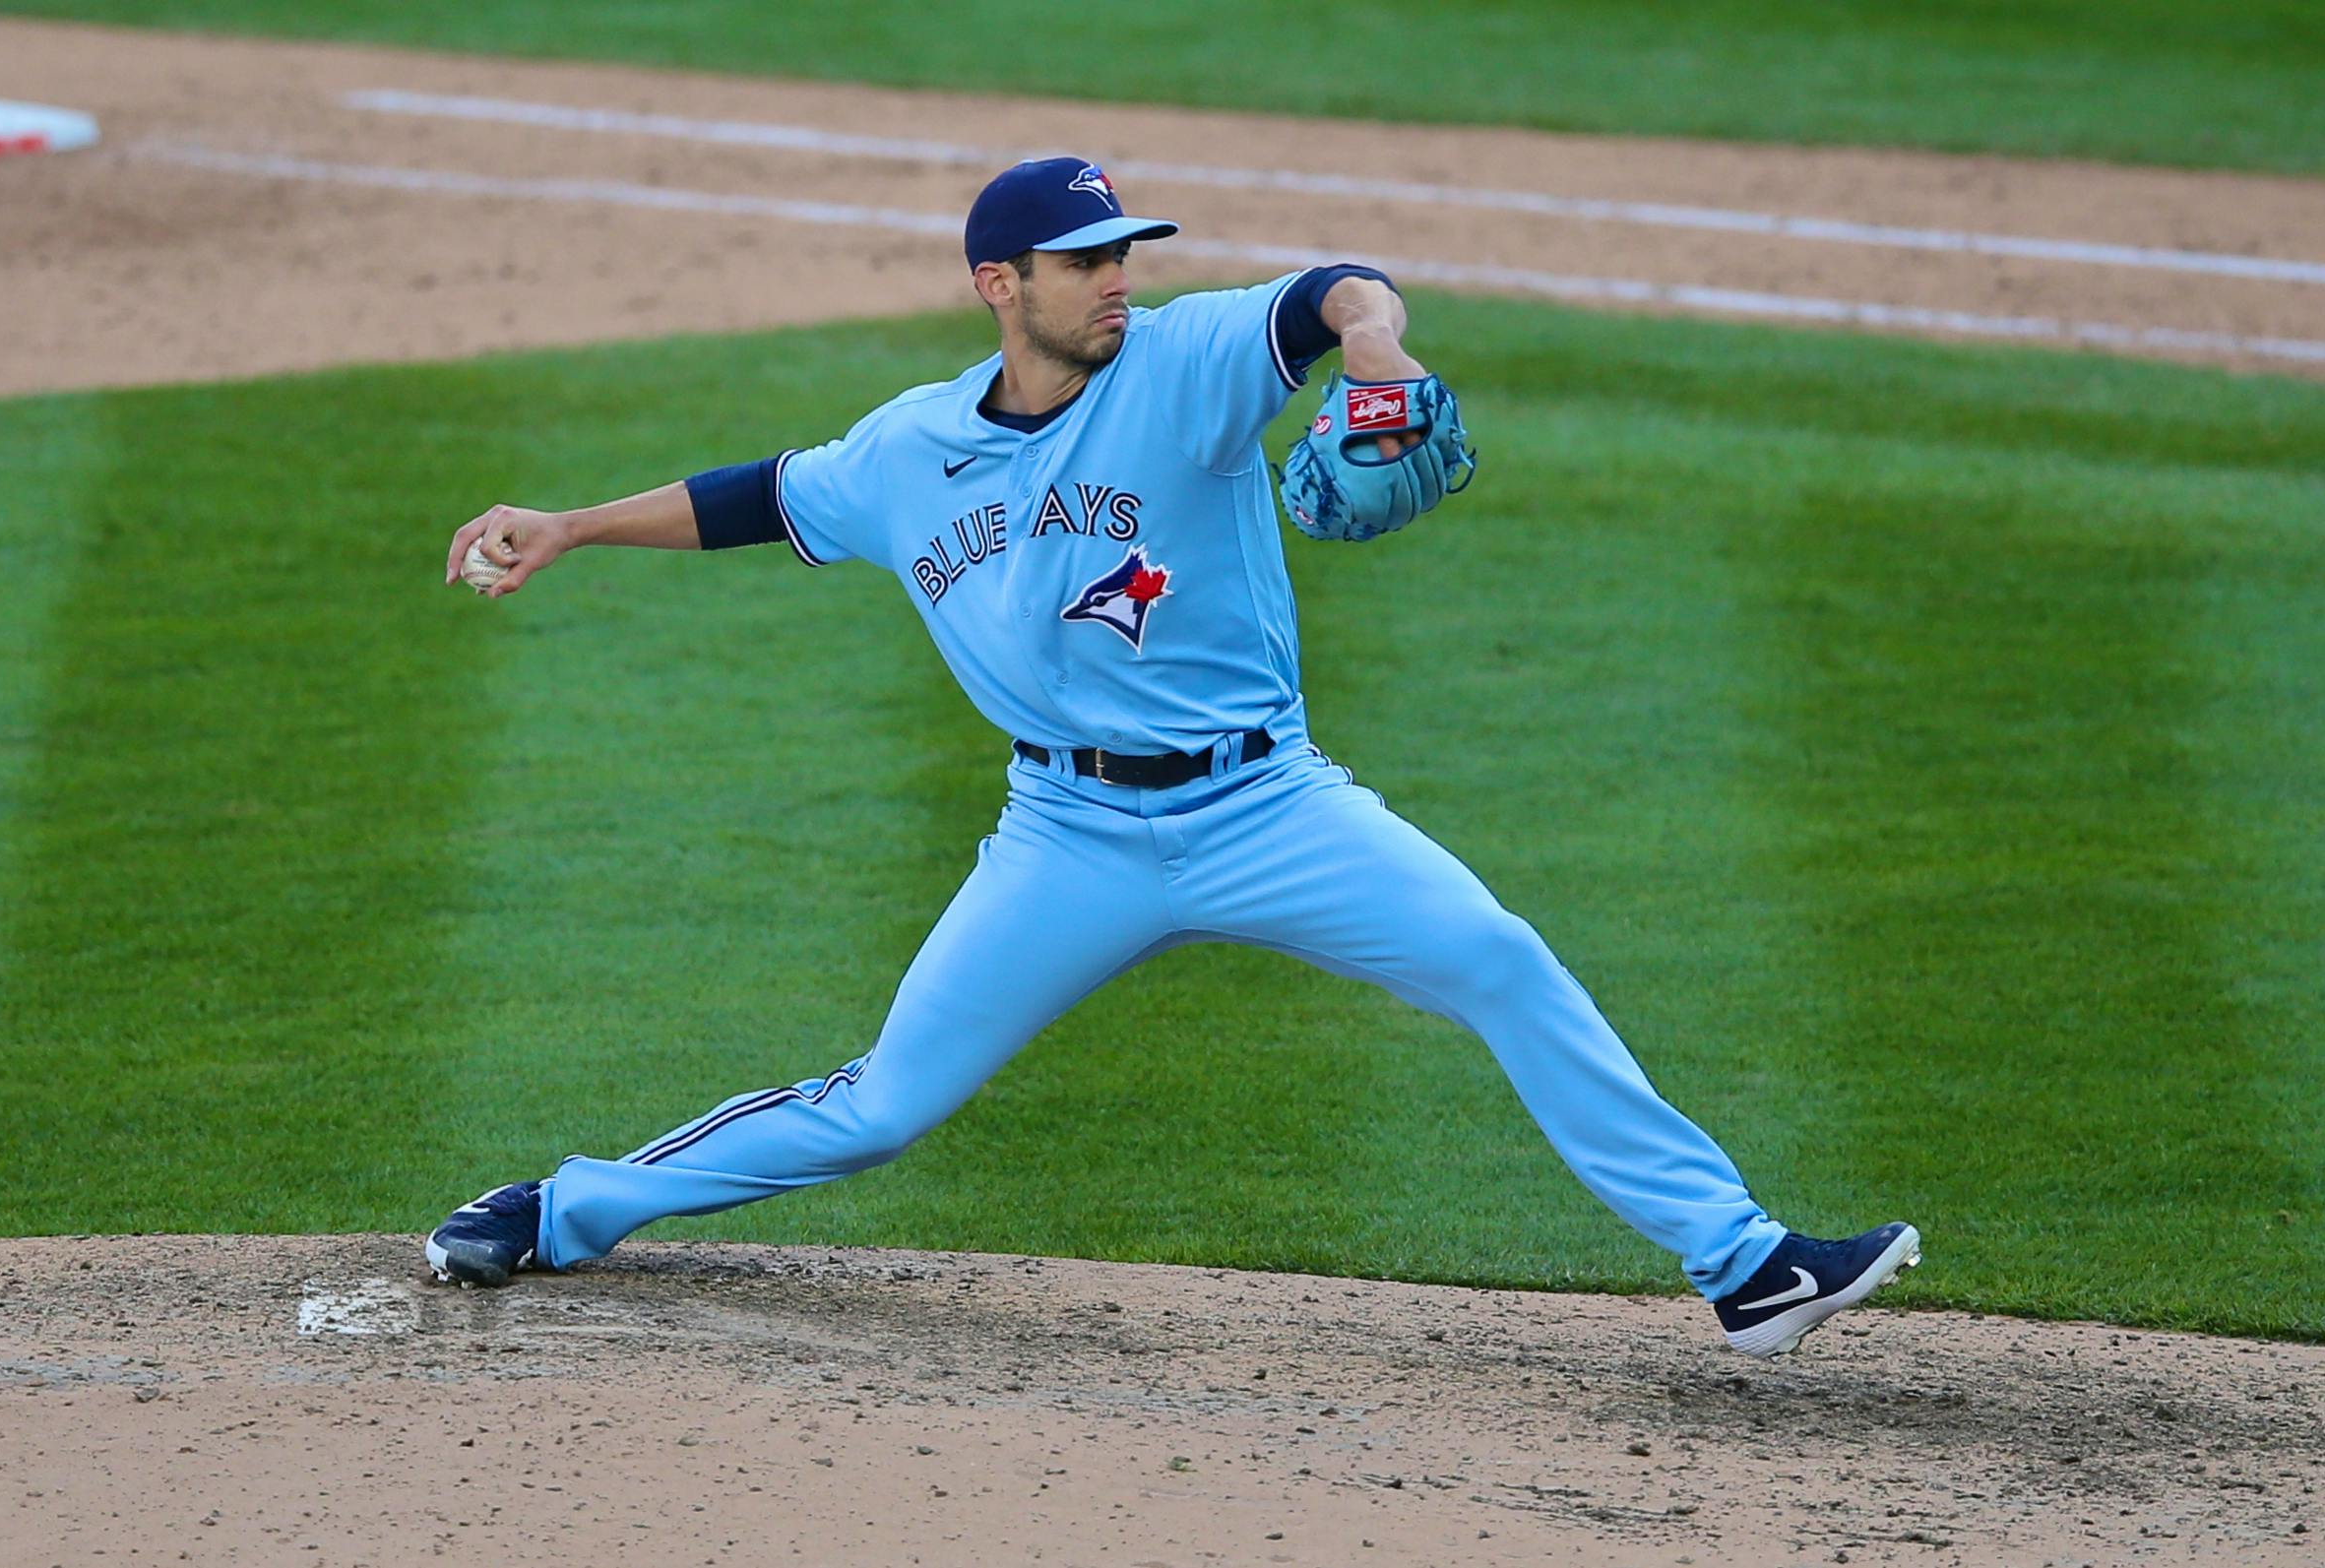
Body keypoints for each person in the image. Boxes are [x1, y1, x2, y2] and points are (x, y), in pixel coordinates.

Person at [427, 157, 1918, 1357]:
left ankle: (1743, 1264)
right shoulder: (906, 449)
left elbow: (1331, 289)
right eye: (1087, 263)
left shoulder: (1184, 360)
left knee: (1495, 954)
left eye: (1124, 253)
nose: (1117, 281)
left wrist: (1377, 342)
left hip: (1267, 804)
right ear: (1000, 285)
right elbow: (756, 495)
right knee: (883, 1103)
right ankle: (566, 1208)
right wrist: (568, 527)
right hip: (1061, 839)